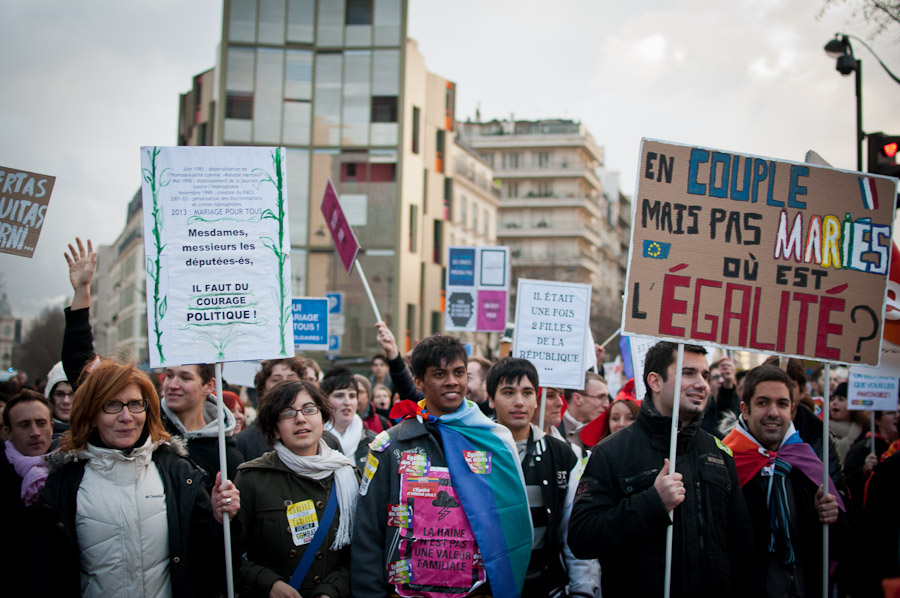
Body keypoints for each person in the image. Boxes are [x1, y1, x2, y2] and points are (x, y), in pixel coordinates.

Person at [568, 341, 759, 598]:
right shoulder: (611, 451)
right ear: (655, 382)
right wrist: (651, 503)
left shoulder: (719, 453)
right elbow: (583, 538)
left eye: (704, 374)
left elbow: (743, 550)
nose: (702, 383)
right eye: (688, 373)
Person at [352, 334, 532, 598]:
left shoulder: (494, 440)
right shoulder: (389, 446)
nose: (452, 381)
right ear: (418, 382)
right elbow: (368, 532)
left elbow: (511, 524)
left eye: (459, 372)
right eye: (439, 374)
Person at [40, 359, 239, 597]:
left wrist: (219, 519)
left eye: (136, 404)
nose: (127, 416)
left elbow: (210, 562)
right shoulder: (64, 482)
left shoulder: (178, 474)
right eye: (112, 405)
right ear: (92, 414)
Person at [61, 237, 244, 492]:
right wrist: (81, 294)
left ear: (209, 386)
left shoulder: (228, 455)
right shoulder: (141, 420)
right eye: (169, 375)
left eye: (185, 377)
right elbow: (82, 370)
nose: (172, 384)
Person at [722, 364, 849, 597]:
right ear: (745, 409)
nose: (773, 412)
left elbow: (843, 547)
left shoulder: (807, 462)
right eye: (762, 403)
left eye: (782, 404)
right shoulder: (723, 463)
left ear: (792, 410)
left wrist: (832, 519)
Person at [234, 380, 358, 598]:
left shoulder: (347, 474)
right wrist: (269, 584)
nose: (301, 418)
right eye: (288, 413)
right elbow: (229, 555)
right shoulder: (252, 478)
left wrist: (332, 590)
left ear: (322, 418)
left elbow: (363, 552)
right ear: (275, 428)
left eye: (309, 409)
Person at [487, 357, 597, 598]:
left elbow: (573, 528)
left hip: (544, 586)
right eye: (508, 392)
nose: (519, 402)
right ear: (491, 400)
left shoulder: (560, 454)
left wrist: (583, 587)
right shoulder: (473, 450)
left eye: (527, 393)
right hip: (486, 587)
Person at [1, 391, 54, 591]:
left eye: (41, 423)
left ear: (51, 425)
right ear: (8, 431)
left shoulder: (71, 470)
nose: (35, 432)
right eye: (24, 425)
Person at [321, 367, 375, 470]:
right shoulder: (315, 442)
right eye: (339, 395)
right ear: (325, 400)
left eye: (352, 396)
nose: (347, 402)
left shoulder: (372, 442)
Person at [374, 321, 423, 402]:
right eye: (439, 374)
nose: (451, 382)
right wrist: (392, 352)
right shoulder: (425, 402)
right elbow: (408, 390)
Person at [559, 372, 609, 451]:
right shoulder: (551, 428)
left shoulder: (605, 431)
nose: (606, 404)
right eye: (601, 397)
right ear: (577, 399)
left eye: (606, 398)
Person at [828, 382, 867, 462]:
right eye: (832, 399)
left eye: (841, 399)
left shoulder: (865, 431)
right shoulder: (822, 429)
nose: (834, 402)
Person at [45, 361, 73, 440]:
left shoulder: (95, 434)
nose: (66, 401)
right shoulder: (39, 433)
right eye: (59, 394)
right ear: (50, 397)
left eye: (72, 394)